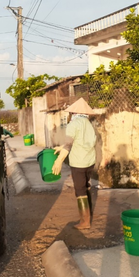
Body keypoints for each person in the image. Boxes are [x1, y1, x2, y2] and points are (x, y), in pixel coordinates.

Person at [51, 98, 97, 230]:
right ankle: (89, 214)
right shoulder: (88, 124)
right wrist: (62, 147)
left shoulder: (73, 124)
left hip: (79, 162)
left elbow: (70, 144)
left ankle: (85, 222)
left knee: (80, 190)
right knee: (86, 186)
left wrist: (59, 161)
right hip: (90, 161)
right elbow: (80, 141)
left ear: (73, 113)